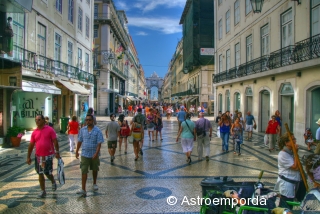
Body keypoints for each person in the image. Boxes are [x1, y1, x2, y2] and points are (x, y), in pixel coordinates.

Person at [26, 115, 60, 198]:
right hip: (38, 156)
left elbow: (55, 141)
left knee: (47, 173)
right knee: (40, 173)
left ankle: (52, 181)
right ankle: (43, 191)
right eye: (36, 120)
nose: (37, 121)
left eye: (39, 120)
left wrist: (57, 152)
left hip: (48, 155)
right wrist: (28, 156)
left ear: (43, 120)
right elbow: (31, 145)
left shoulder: (50, 130)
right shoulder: (34, 132)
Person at [75, 114, 104, 196]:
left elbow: (99, 143)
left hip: (94, 154)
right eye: (87, 120)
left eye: (89, 120)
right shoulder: (82, 130)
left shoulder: (97, 130)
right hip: (84, 154)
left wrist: (96, 153)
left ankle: (94, 183)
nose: (88, 121)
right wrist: (77, 151)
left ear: (93, 121)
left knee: (95, 169)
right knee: (84, 170)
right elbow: (80, 141)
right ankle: (83, 189)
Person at [274, 132, 301, 204]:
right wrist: (296, 153)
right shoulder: (283, 154)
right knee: (287, 205)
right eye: (292, 139)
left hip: (293, 183)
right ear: (286, 143)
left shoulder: (290, 152)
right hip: (287, 185)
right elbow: (295, 167)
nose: (295, 141)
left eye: (294, 139)